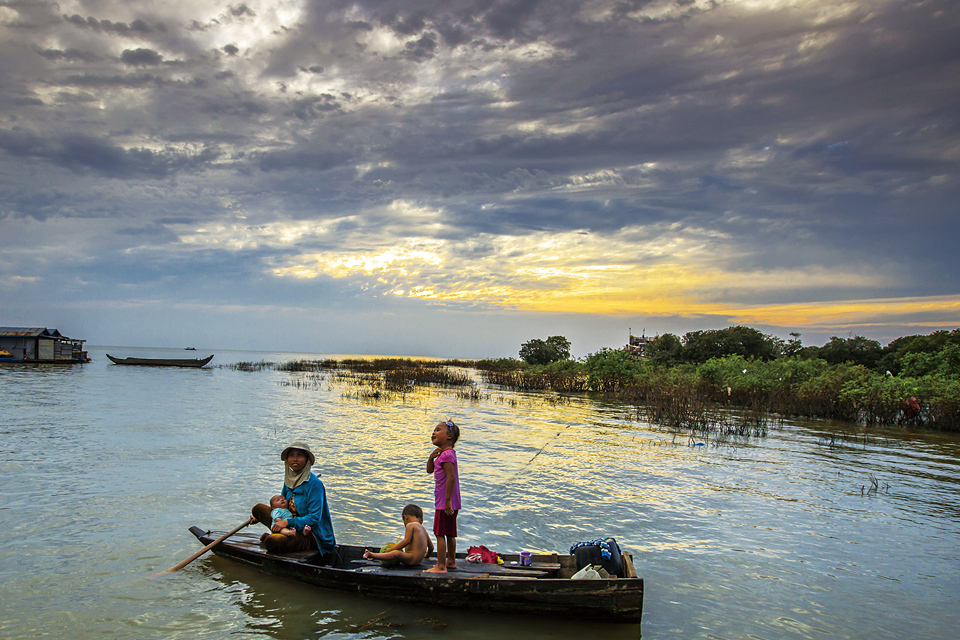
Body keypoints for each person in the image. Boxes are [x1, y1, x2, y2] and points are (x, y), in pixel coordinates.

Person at [251, 441, 336, 561]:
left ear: (307, 460)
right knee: (258, 509)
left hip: (310, 534)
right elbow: (281, 506)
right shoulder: (289, 479)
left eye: (300, 455)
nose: (295, 459)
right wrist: (258, 518)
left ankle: (274, 536)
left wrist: (286, 523)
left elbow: (314, 518)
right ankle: (280, 533)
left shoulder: (315, 484)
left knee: (273, 541)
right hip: (289, 527)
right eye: (291, 455)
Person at [425, 420, 461, 573]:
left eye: (438, 430)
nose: (434, 432)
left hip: (445, 502)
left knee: (440, 533)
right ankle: (451, 561)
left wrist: (447, 501)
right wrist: (431, 458)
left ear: (449, 436)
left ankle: (440, 566)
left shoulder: (446, 455)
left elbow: (451, 478)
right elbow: (429, 470)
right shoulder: (445, 454)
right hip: (451, 501)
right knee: (450, 533)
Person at [362, 504, 434, 566]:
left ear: (406, 517)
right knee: (397, 553)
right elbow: (431, 547)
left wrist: (391, 549)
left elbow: (407, 541)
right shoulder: (424, 529)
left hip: (411, 558)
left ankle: (372, 555)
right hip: (418, 561)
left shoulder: (410, 525)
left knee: (396, 553)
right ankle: (375, 555)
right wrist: (425, 556)